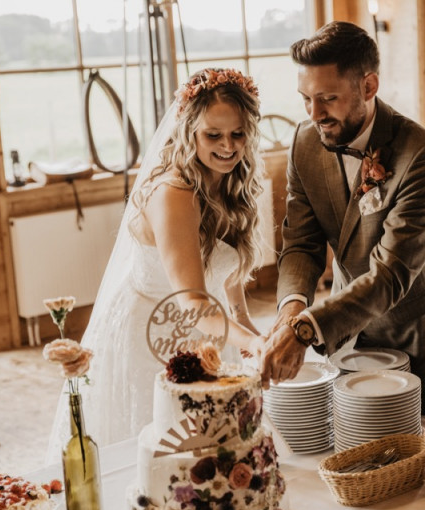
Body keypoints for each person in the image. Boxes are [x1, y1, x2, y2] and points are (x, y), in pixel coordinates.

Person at [47, 68, 267, 457]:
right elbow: (194, 304)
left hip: (209, 333)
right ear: (188, 132)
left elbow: (225, 271)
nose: (228, 147)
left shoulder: (230, 182)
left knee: (210, 452)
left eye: (238, 134)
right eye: (212, 135)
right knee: (159, 450)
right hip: (150, 336)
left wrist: (244, 323)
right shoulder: (174, 194)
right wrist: (256, 342)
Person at [261, 21, 425, 421]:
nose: (314, 114)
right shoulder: (305, 142)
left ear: (368, 87)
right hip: (344, 339)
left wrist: (306, 329)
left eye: (328, 98)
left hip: (419, 341)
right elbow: (301, 244)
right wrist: (291, 310)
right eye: (305, 98)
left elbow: (391, 272)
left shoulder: (424, 156)